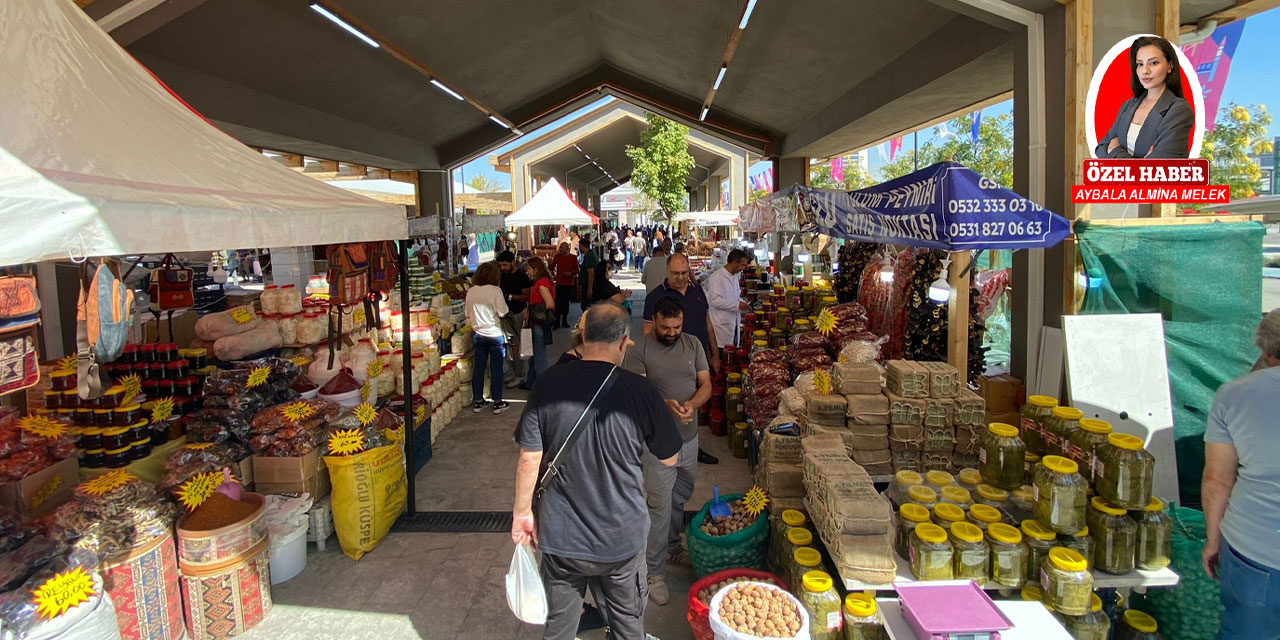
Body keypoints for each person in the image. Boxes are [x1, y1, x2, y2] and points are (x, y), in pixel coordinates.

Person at [512, 303, 682, 640]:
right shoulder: (641, 391)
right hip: (621, 537)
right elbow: (669, 458)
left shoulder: (548, 384)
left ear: (583, 337)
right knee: (627, 627)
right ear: (623, 342)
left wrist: (522, 513)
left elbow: (530, 457)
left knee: (559, 628)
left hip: (562, 537)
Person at [623, 298, 711, 606]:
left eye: (676, 327)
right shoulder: (640, 350)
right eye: (665, 327)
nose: (671, 332)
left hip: (688, 439)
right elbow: (635, 394)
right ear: (654, 322)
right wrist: (666, 406)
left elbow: (706, 384)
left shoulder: (693, 344)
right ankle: (654, 572)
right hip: (657, 443)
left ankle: (672, 545)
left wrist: (692, 405)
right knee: (659, 507)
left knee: (681, 496)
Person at [1202, 309, 1280, 639]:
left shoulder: (1235, 394)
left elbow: (1217, 479)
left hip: (1255, 549)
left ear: (1264, 349)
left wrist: (1212, 540)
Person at [643, 253, 721, 466]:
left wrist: (714, 354)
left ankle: (693, 447)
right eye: (676, 273)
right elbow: (647, 332)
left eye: (684, 273)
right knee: (672, 402)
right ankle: (670, 447)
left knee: (697, 401)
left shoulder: (697, 291)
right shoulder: (655, 296)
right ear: (667, 272)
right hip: (670, 361)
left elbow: (707, 323)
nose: (680, 277)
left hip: (699, 356)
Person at [1094, 35, 1193, 159]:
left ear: (1170, 66)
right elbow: (1101, 147)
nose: (1145, 71)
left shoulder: (1179, 110)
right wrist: (1140, 164)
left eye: (1153, 63)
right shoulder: (1128, 105)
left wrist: (1115, 151)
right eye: (1140, 64)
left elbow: (1157, 169)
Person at [464, 262, 510, 415]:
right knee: (496, 368)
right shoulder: (495, 291)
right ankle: (497, 402)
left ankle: (478, 401)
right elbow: (503, 312)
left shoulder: (471, 291)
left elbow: (467, 314)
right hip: (495, 334)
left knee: (479, 367)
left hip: (478, 334)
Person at [498, 251, 533, 389]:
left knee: (517, 345)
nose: (503, 268)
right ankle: (512, 373)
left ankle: (519, 374)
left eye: (505, 264)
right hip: (505, 315)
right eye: (500, 265)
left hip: (518, 314)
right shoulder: (502, 276)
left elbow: (527, 296)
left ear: (513, 262)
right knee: (509, 346)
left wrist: (510, 297)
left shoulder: (522, 277)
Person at [705, 249, 752, 350]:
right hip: (721, 326)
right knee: (724, 354)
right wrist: (737, 305)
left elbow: (735, 296)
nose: (744, 268)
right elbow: (715, 300)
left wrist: (744, 303)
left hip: (733, 322)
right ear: (735, 263)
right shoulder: (717, 277)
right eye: (743, 265)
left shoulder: (734, 277)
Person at [523, 257, 555, 390]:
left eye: (529, 269)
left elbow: (550, 304)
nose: (528, 271)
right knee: (533, 357)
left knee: (539, 357)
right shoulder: (541, 282)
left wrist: (532, 310)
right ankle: (531, 383)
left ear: (536, 269)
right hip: (535, 324)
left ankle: (543, 387)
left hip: (538, 324)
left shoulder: (541, 283)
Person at [550, 242, 579, 329]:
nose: (560, 249)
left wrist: (570, 273)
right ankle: (557, 322)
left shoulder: (573, 258)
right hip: (559, 282)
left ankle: (564, 321)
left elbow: (576, 270)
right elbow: (551, 267)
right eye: (560, 247)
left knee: (566, 302)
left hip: (568, 283)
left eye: (562, 248)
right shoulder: (557, 257)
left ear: (567, 248)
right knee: (558, 302)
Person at [578, 238, 600, 313]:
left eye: (579, 246)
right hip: (589, 284)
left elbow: (591, 272)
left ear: (582, 246)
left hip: (588, 284)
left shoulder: (589, 256)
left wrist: (589, 288)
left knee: (586, 305)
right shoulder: (591, 254)